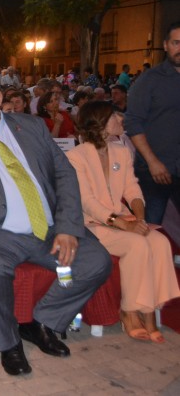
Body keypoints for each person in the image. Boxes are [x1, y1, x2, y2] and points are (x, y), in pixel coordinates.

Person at [0, 70, 111, 377]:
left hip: (46, 229)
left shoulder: (32, 127)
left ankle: (42, 322)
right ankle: (10, 343)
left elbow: (64, 175)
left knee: (96, 260)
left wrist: (67, 227)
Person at [67, 101, 180, 343]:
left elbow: (132, 189)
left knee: (159, 242)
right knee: (137, 245)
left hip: (121, 218)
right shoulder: (76, 156)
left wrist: (139, 218)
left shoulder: (121, 151)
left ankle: (150, 310)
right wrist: (122, 223)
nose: (121, 118)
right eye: (114, 116)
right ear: (100, 124)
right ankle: (129, 311)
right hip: (92, 225)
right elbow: (86, 201)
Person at [125, 21, 180, 225]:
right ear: (166, 45)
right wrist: (153, 162)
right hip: (154, 170)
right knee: (148, 226)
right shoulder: (150, 80)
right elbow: (133, 122)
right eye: (176, 43)